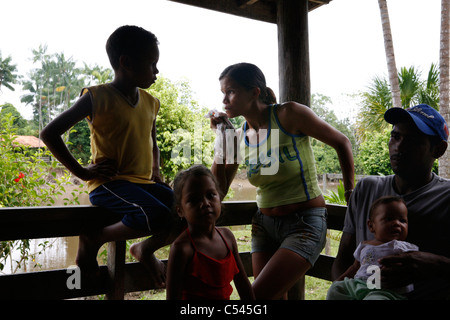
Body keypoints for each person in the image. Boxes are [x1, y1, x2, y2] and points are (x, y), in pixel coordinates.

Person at [40, 25, 181, 286]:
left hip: (143, 185)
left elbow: (153, 143)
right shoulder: (97, 96)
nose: (157, 71)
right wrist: (83, 172)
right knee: (158, 215)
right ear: (126, 62)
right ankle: (96, 237)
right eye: (152, 64)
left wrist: (156, 171)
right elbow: (49, 133)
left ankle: (144, 250)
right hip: (110, 184)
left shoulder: (151, 102)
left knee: (185, 212)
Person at [210, 62, 355, 299]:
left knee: (254, 298)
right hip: (263, 226)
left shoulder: (288, 115)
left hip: (304, 224)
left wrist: (351, 193)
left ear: (255, 92)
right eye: (223, 94)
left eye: (231, 91)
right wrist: (221, 139)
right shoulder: (238, 136)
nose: (224, 100)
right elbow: (219, 190)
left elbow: (342, 142)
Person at [332, 104, 450, 299]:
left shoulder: (445, 197)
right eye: (395, 136)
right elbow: (344, 258)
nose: (399, 146)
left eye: (413, 139)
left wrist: (436, 264)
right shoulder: (366, 189)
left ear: (438, 149)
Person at [166, 165, 254, 300]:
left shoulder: (227, 238)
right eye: (194, 200)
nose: (205, 203)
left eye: (211, 195)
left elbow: (243, 284)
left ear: (220, 197)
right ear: (180, 211)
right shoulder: (182, 248)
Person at [327, 196, 418, 300]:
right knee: (335, 289)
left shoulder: (405, 248)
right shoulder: (364, 245)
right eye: (389, 219)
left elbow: (413, 268)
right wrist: (339, 280)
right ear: (371, 226)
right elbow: (354, 267)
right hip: (358, 284)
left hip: (384, 291)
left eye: (402, 220)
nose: (397, 223)